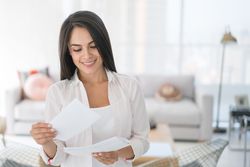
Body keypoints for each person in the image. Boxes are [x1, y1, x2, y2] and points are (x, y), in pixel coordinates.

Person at [30, 11, 149, 167]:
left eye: (93, 46)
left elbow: (142, 140)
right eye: (77, 49)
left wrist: (117, 153)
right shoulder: (58, 92)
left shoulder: (130, 87)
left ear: (103, 44)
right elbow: (57, 157)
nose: (87, 55)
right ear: (69, 51)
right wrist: (45, 142)